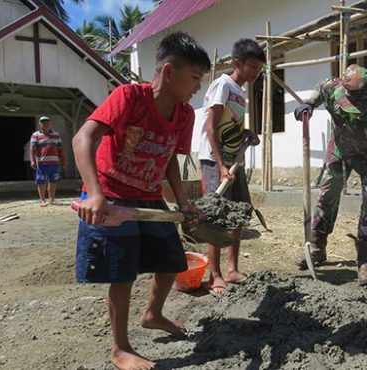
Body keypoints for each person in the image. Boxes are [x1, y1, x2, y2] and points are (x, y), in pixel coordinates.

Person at [72, 32, 210, 370]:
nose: (197, 87)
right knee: (122, 271)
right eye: (194, 78)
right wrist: (95, 193)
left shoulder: (185, 115)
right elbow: (82, 137)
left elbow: (171, 160)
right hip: (111, 193)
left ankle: (153, 314)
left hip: (149, 196)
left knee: (170, 261)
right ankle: (120, 348)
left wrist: (182, 202)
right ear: (168, 72)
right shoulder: (129, 97)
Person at [294, 64, 367, 286]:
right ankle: (317, 247)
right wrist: (309, 103)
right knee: (329, 191)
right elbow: (320, 87)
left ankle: (365, 260)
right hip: (341, 149)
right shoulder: (333, 88)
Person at [197, 38, 263, 296]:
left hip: (233, 161)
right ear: (238, 63)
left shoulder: (241, 91)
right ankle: (215, 275)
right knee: (215, 218)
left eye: (259, 68)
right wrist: (221, 164)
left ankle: (233, 269)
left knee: (237, 214)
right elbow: (211, 126)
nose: (256, 72)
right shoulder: (222, 84)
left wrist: (246, 133)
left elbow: (229, 126)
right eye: (253, 67)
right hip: (216, 162)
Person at [30, 116, 66, 206]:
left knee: (53, 181)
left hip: (54, 162)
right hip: (42, 162)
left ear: (50, 124)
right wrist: (32, 160)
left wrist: (64, 160)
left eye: (47, 122)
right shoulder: (36, 135)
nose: (45, 124)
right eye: (43, 122)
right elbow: (32, 149)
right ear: (40, 124)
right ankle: (42, 200)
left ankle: (51, 199)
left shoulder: (56, 135)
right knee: (41, 181)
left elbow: (61, 149)